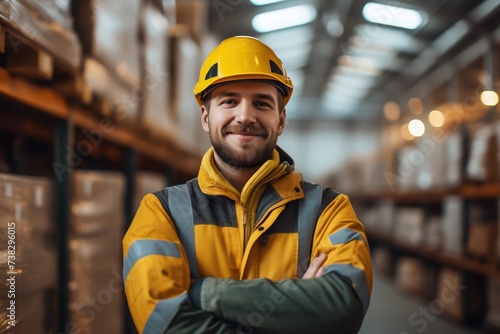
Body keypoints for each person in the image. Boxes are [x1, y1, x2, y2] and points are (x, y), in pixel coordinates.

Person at [122, 36, 372, 334]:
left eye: (261, 103)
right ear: (205, 116)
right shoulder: (161, 212)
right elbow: (163, 323)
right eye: (229, 101)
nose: (245, 116)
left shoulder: (328, 210)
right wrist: (299, 309)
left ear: (280, 120)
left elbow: (344, 307)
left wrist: (203, 292)